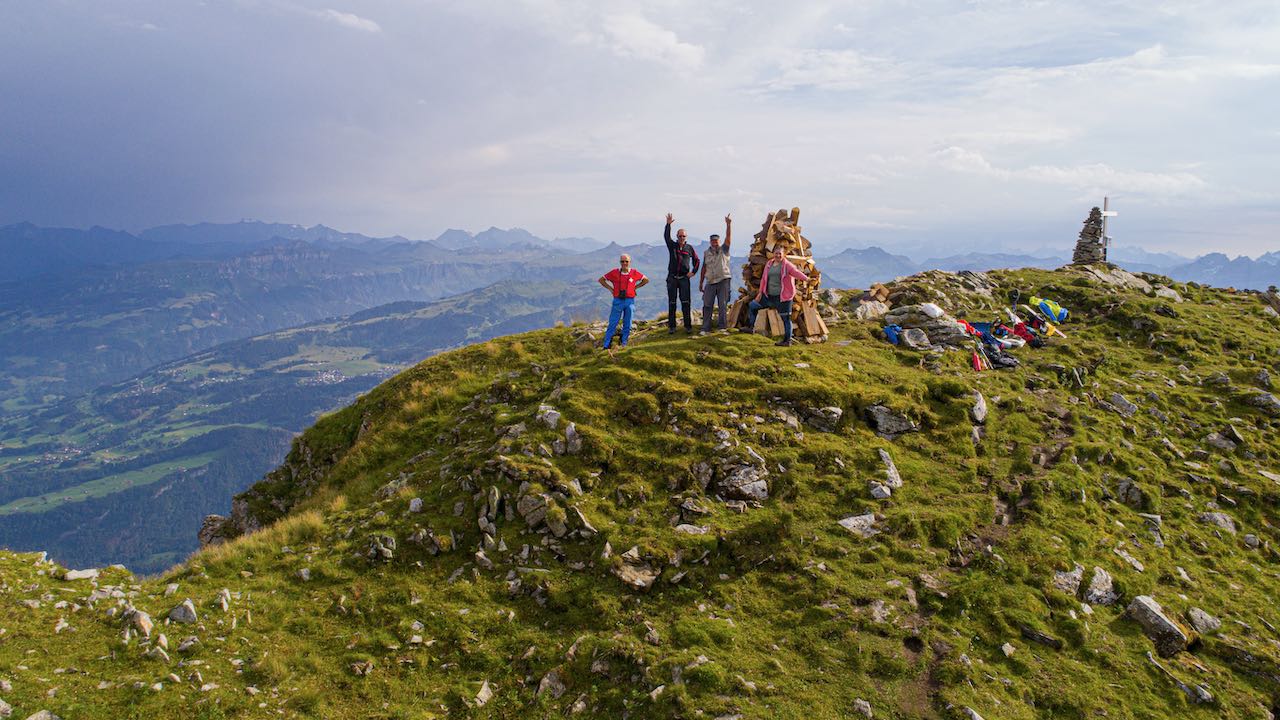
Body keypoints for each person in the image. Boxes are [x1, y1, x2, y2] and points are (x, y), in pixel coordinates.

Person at [743, 245, 809, 346]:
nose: (778, 255)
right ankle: (751, 327)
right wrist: (760, 293)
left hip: (782, 297)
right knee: (753, 306)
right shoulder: (769, 263)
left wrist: (807, 279)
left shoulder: (787, 265)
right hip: (768, 296)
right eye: (776, 253)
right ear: (773, 254)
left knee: (786, 319)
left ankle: (787, 341)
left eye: (780, 253)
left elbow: (796, 273)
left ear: (784, 254)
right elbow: (764, 279)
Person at [598, 254, 648, 351]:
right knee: (613, 323)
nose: (624, 263)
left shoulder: (634, 273)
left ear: (630, 262)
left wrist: (635, 287)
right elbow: (601, 280)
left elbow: (646, 280)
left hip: (630, 301)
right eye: (622, 261)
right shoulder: (614, 272)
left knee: (628, 323)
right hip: (618, 300)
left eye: (626, 261)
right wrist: (611, 289)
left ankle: (624, 342)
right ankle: (606, 344)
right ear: (620, 262)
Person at [663, 213, 700, 334]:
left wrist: (693, 272)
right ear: (677, 236)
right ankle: (672, 327)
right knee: (672, 303)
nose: (681, 238)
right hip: (672, 278)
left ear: (686, 237)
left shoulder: (689, 248)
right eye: (680, 236)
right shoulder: (672, 246)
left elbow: (697, 260)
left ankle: (688, 326)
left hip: (684, 278)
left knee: (686, 302)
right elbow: (666, 237)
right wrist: (668, 225)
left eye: (683, 236)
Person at [698, 214, 733, 334]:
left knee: (722, 305)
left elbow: (728, 238)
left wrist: (728, 224)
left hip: (723, 280)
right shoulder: (706, 253)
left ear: (719, 241)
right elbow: (704, 267)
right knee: (707, 304)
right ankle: (705, 328)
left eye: (716, 241)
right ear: (710, 242)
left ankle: (722, 327)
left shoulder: (724, 249)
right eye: (712, 241)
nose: (714, 243)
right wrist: (701, 282)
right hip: (710, 281)